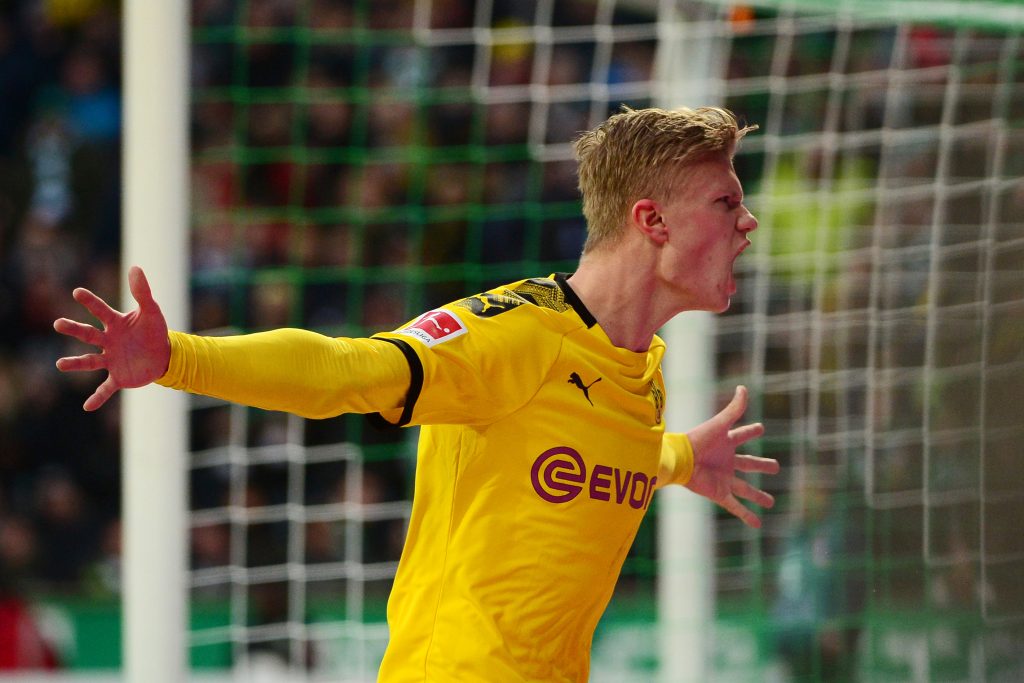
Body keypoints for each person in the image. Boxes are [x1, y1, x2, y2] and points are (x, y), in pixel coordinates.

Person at [54, 106, 779, 681]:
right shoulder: (516, 332)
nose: (747, 223)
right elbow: (348, 370)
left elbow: (575, 447)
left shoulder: (638, 367)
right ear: (651, 221)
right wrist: (179, 356)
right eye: (725, 202)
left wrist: (682, 456)